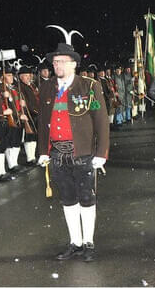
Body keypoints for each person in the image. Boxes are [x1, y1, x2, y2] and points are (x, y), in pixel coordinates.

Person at [38, 40, 109, 262]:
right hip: (58, 155)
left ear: (74, 64)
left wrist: (101, 153)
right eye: (55, 62)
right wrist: (43, 150)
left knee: (86, 198)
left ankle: (88, 242)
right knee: (68, 199)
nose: (56, 65)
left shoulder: (89, 86)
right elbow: (43, 122)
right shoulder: (47, 87)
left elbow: (100, 120)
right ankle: (75, 242)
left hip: (83, 152)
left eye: (61, 62)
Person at [18, 66, 39, 166]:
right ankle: (29, 158)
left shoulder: (32, 85)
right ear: (21, 77)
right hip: (28, 114)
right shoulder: (21, 87)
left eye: (29, 75)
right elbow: (26, 102)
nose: (28, 77)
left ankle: (33, 156)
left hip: (35, 113)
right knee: (29, 136)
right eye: (26, 76)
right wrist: (33, 110)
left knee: (34, 136)